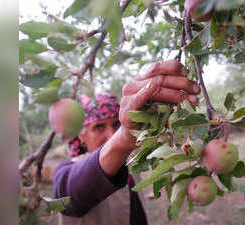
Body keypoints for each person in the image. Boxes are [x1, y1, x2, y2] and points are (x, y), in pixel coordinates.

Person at [53, 60, 200, 225]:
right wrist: (122, 138)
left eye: (117, 124)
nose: (111, 134)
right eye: (99, 127)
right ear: (81, 136)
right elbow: (68, 195)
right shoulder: (66, 172)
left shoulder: (129, 160)